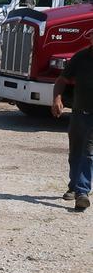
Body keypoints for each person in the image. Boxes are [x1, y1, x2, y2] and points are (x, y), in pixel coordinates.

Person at [53, 28, 93, 210]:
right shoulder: (81, 57)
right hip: (79, 112)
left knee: (88, 151)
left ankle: (83, 191)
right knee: (75, 150)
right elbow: (62, 79)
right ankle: (74, 186)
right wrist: (57, 98)